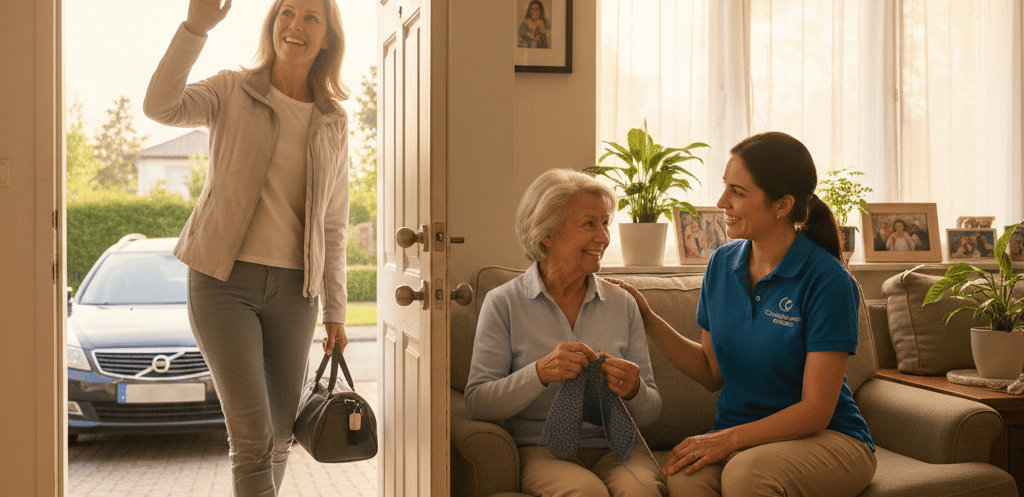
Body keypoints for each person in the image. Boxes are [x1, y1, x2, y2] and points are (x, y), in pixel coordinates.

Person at [144, 0, 351, 494]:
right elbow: (160, 106)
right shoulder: (231, 89)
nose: (295, 25)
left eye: (310, 17)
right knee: (255, 436)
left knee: (280, 436)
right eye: (286, 12)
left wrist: (335, 311)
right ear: (272, 23)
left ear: (327, 40)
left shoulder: (332, 119)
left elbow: (333, 223)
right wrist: (195, 28)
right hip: (223, 282)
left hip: (295, 293)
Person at [608, 132, 876, 496]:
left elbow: (815, 411)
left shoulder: (827, 281)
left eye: (738, 192)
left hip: (828, 438)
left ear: (781, 205)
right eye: (725, 187)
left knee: (746, 475)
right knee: (683, 479)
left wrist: (727, 441)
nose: (722, 202)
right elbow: (711, 372)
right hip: (741, 433)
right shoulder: (721, 263)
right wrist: (648, 318)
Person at [464, 169, 664, 497]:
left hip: (617, 448)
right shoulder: (503, 303)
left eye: (605, 223)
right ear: (547, 233)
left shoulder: (622, 303)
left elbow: (651, 410)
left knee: (640, 491)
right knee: (587, 493)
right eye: (590, 224)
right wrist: (540, 372)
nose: (603, 237)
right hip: (541, 450)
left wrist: (634, 389)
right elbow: (477, 404)